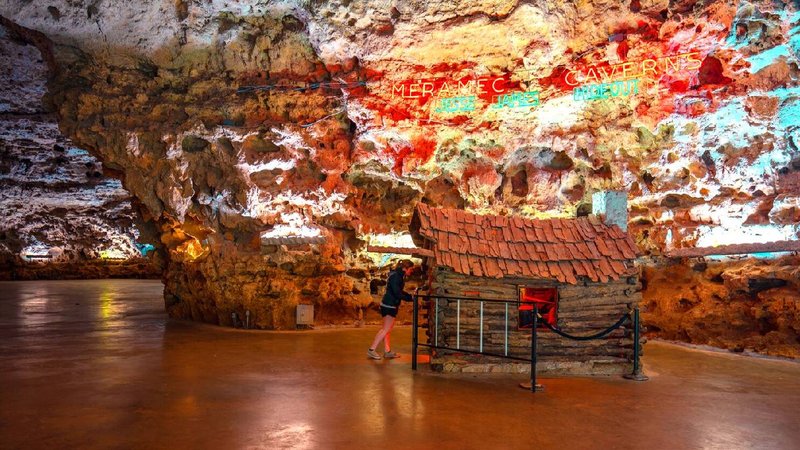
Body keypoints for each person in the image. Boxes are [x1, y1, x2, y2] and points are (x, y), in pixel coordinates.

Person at [367, 260, 414, 360]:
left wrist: (410, 296)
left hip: (389, 304)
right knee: (385, 329)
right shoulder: (397, 276)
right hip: (389, 305)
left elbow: (398, 291)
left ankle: (387, 351)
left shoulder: (397, 275)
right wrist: (410, 298)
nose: (411, 271)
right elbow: (397, 293)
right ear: (405, 268)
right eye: (410, 269)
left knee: (387, 329)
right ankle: (371, 350)